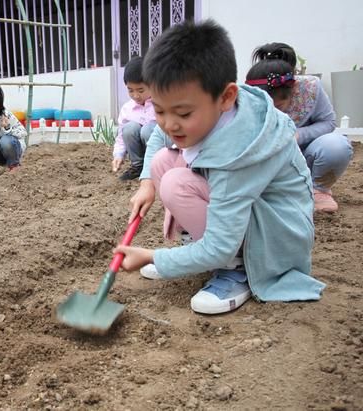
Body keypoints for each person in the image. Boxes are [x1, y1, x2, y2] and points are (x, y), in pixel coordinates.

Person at [115, 20, 325, 315]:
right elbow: (159, 138)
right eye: (159, 110)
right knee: (163, 162)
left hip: (275, 235)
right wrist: (147, 182)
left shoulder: (240, 151)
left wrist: (154, 257)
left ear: (226, 97)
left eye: (183, 113)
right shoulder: (212, 105)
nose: (169, 123)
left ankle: (236, 270)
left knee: (177, 183)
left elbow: (220, 244)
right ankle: (196, 253)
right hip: (248, 211)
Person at [246, 43, 353, 213]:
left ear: (293, 89)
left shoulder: (310, 88)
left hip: (305, 153)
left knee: (336, 145)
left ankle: (319, 190)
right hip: (270, 160)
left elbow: (329, 122)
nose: (273, 111)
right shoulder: (249, 95)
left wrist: (297, 135)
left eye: (279, 106)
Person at [112, 56, 157, 180]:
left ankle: (155, 168)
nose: (136, 95)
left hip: (158, 151)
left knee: (148, 130)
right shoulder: (128, 109)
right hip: (140, 150)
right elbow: (121, 137)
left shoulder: (161, 104)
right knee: (129, 128)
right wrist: (118, 155)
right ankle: (138, 166)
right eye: (130, 90)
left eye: (141, 90)